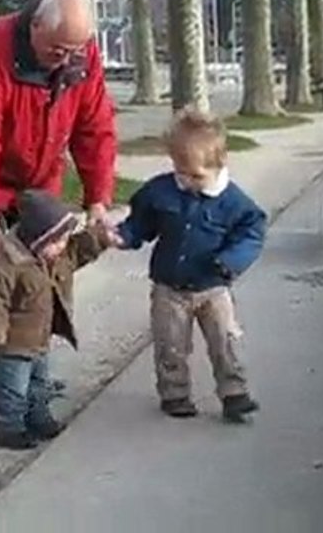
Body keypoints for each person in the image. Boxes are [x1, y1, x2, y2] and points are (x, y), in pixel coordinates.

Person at [0, 0, 117, 408]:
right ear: (34, 26)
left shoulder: (82, 55)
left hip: (39, 173)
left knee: (43, 269)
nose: (65, 59)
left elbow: (95, 127)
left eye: (74, 51)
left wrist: (98, 199)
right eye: (57, 50)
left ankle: (31, 368)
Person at [104, 110, 266, 422]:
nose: (188, 182)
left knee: (225, 341)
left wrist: (231, 260)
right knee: (170, 344)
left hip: (213, 286)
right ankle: (174, 393)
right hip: (170, 287)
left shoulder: (234, 202)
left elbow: (252, 233)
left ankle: (234, 392)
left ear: (219, 164)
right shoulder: (161, 191)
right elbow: (141, 223)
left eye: (196, 176)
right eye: (181, 173)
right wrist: (123, 236)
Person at [0, 189, 110, 449]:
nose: (62, 246)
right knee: (13, 390)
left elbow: (79, 251)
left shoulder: (54, 258)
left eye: (64, 239)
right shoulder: (10, 265)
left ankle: (38, 418)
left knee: (39, 384)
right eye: (56, 241)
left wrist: (102, 237)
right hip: (10, 344)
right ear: (37, 240)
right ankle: (10, 430)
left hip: (39, 339)